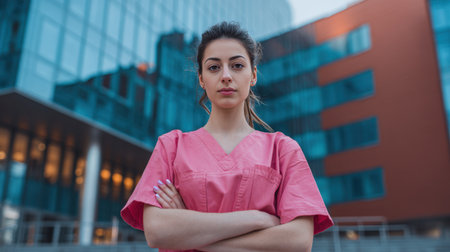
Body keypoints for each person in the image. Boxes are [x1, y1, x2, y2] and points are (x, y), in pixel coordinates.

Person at [121, 21, 333, 252]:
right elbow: (157, 232)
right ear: (201, 79)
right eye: (213, 67)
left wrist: (190, 231)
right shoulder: (171, 147)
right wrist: (256, 219)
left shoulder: (282, 150)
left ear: (253, 75)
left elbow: (299, 240)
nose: (226, 76)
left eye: (237, 65)